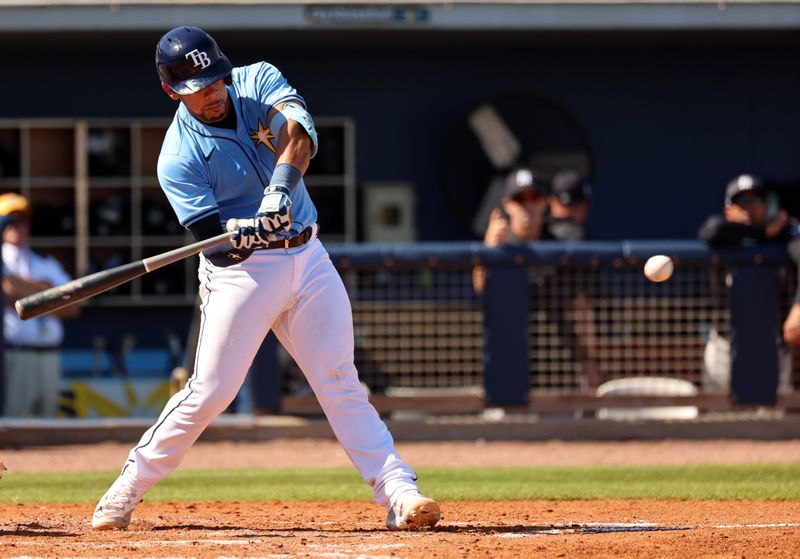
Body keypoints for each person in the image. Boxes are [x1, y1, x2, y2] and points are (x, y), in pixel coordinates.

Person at [91, 26, 440, 532]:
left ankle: (399, 490)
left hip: (308, 255)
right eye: (197, 89)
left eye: (214, 82)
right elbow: (218, 248)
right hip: (242, 277)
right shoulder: (177, 157)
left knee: (340, 381)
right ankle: (127, 487)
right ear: (171, 90)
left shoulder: (256, 79)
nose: (211, 95)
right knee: (210, 392)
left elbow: (298, 138)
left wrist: (278, 195)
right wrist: (240, 234)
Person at [472, 167, 601, 391]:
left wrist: (588, 362)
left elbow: (580, 305)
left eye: (534, 197)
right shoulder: (499, 242)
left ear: (544, 203)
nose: (527, 205)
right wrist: (489, 253)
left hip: (559, 364)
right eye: (520, 198)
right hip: (509, 366)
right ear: (508, 205)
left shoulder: (561, 243)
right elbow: (481, 289)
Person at [698, 173, 796, 391]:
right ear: (728, 209)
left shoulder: (784, 236)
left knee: (774, 422)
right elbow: (711, 229)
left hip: (773, 348)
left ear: (767, 206)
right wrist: (764, 231)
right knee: (715, 421)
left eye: (756, 200)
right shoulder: (721, 236)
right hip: (725, 346)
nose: (749, 207)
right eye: (741, 201)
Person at [0, 192, 79, 417]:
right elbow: (7, 290)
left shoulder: (44, 261)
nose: (17, 226)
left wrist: (24, 292)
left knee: (47, 427)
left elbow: (73, 304)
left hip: (49, 355)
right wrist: (47, 291)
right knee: (14, 423)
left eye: (21, 220)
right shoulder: (4, 259)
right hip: (15, 355)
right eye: (9, 220)